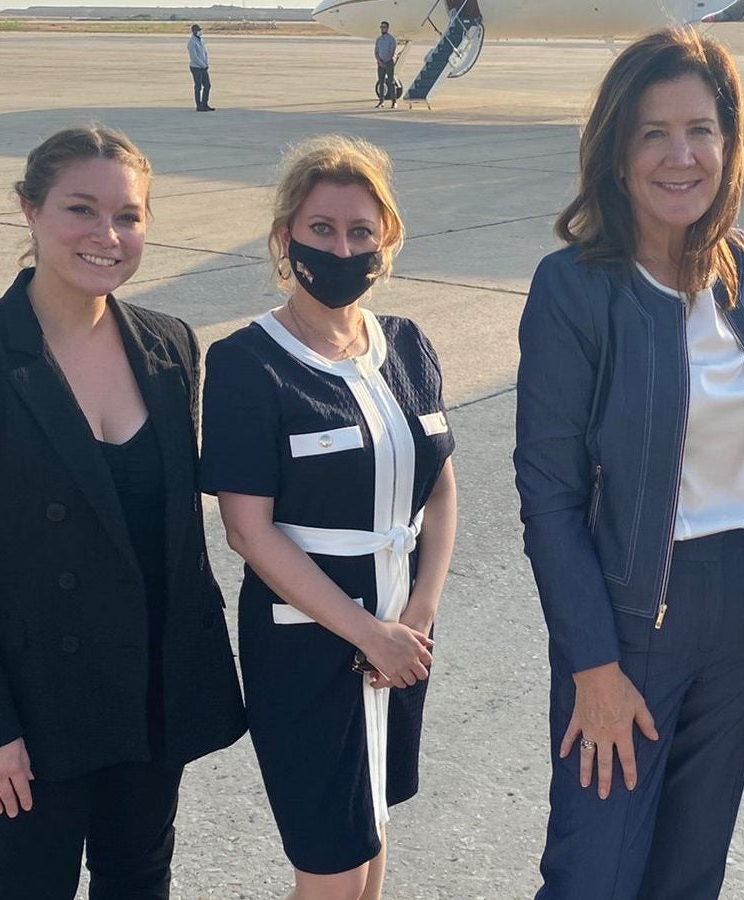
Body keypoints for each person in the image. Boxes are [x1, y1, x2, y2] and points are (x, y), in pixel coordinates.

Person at [0, 125, 247, 899]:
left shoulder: (171, 346)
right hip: (30, 705)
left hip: (152, 692)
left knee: (140, 880)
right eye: (81, 210)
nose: (107, 236)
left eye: (129, 216)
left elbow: (173, 539)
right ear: (29, 210)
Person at [514, 28, 744, 899]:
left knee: (690, 873)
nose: (681, 156)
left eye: (701, 130)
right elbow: (549, 495)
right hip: (630, 615)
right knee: (594, 873)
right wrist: (593, 667)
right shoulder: (575, 287)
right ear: (616, 153)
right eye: (653, 133)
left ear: (730, 143)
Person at [201, 135, 458, 900]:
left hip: (403, 635)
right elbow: (248, 530)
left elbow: (441, 490)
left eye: (360, 232)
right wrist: (367, 631)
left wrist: (417, 615)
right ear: (285, 239)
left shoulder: (407, 344)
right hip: (309, 644)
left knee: (372, 830)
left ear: (385, 242)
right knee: (333, 860)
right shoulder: (250, 362)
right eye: (321, 229)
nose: (341, 247)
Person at [188, 24, 214, 112]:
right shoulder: (192, 42)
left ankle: (205, 103)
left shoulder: (202, 40)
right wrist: (202, 65)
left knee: (207, 85)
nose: (200, 32)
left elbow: (205, 53)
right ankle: (199, 105)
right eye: (198, 30)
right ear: (194, 31)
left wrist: (206, 63)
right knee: (198, 86)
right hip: (196, 67)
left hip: (203, 66)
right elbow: (194, 56)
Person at [374, 21, 398, 109]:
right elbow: (376, 52)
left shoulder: (391, 39)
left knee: (391, 82)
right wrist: (379, 61)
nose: (382, 28)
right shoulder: (379, 39)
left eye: (384, 27)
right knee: (381, 82)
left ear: (387, 28)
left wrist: (385, 61)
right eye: (381, 27)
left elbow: (392, 52)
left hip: (388, 63)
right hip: (380, 63)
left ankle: (394, 101)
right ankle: (381, 101)